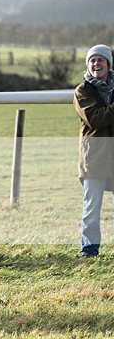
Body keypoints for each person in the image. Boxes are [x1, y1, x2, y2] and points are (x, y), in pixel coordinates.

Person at [73, 44, 114, 257]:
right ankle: (89, 249)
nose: (96, 64)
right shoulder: (82, 91)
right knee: (92, 208)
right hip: (94, 157)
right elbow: (96, 118)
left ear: (108, 64)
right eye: (92, 60)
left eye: (101, 60)